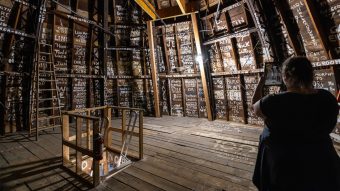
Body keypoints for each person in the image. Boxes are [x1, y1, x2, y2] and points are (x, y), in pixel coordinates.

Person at [251, 56, 340, 191]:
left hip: (284, 168)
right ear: (311, 75)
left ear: (286, 76)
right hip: (322, 161)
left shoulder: (274, 102)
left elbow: (255, 107)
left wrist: (262, 81)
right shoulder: (328, 98)